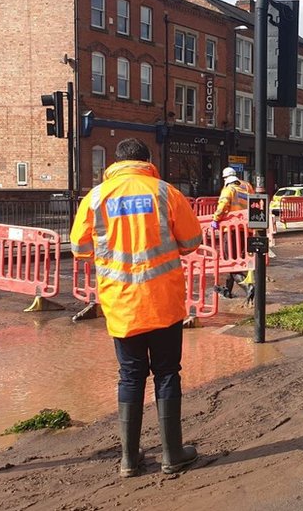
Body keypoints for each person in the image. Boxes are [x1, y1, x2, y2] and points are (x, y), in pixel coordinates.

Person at [70, 138, 203, 478]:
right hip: (162, 302)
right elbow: (191, 242)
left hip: (122, 304)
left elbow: (80, 246)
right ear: (147, 160)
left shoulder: (96, 197)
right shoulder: (165, 193)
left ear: (116, 162)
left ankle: (129, 459)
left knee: (130, 376)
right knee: (167, 372)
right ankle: (172, 454)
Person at [212, 167, 255, 300]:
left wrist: (215, 219)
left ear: (225, 178)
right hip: (245, 229)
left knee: (230, 262)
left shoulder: (229, 189)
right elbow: (254, 201)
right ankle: (227, 290)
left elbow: (223, 205)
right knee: (235, 260)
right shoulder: (247, 186)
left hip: (231, 230)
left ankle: (248, 287)